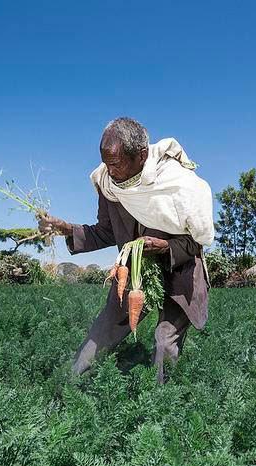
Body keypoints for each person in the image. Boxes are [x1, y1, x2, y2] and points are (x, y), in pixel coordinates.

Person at [38, 117, 214, 384]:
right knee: (103, 330)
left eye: (116, 164)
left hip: (180, 270)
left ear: (141, 156)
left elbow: (196, 242)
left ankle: (162, 403)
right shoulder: (109, 186)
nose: (110, 170)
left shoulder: (178, 186)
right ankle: (67, 384)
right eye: (106, 163)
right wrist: (66, 228)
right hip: (134, 274)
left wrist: (166, 246)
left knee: (164, 340)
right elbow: (105, 231)